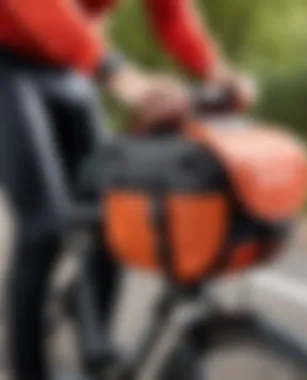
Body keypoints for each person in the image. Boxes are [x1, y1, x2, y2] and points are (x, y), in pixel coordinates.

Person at [0, 1, 254, 379]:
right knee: (45, 228)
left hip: (67, 67)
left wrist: (216, 73)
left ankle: (94, 347)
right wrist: (119, 75)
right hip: (7, 59)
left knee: (114, 214)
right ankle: (28, 369)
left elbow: (172, 15)